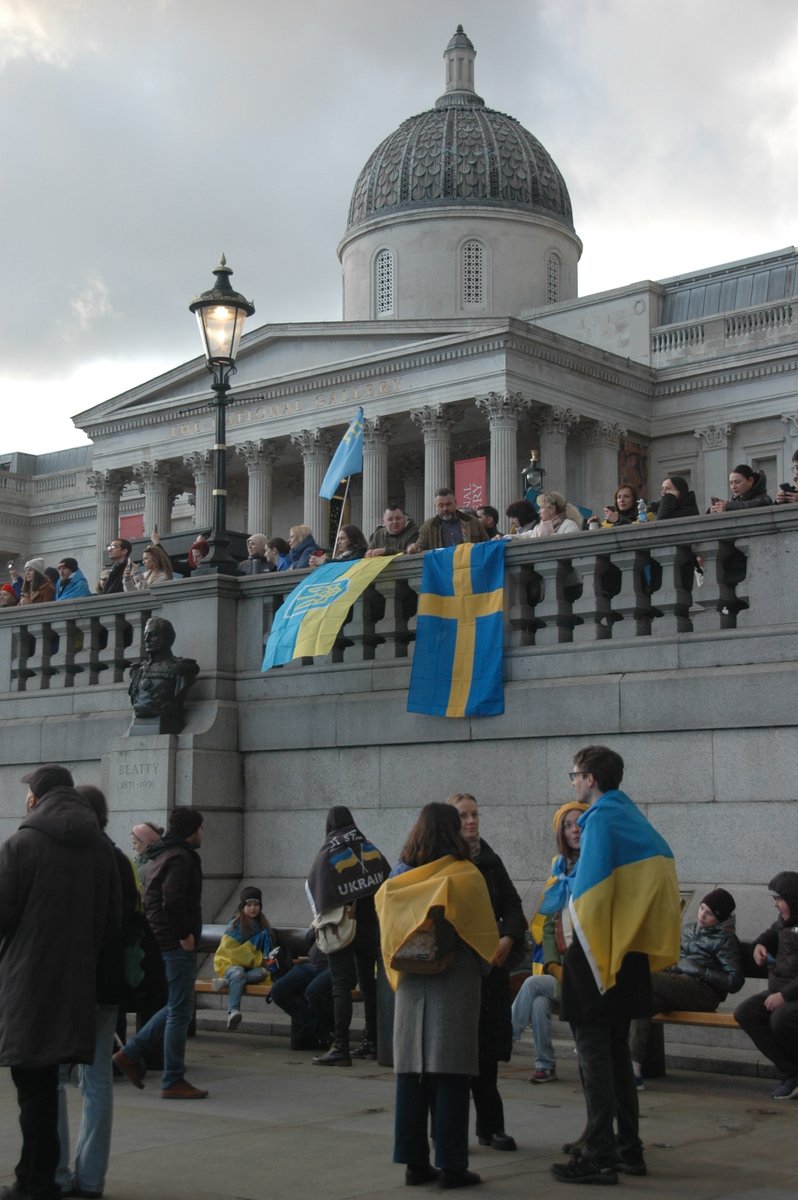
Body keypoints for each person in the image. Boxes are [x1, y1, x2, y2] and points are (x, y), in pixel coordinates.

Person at [550, 745, 680, 1185]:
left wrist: (577, 938)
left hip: (597, 958)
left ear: (589, 778)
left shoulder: (602, 818)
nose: (572, 783)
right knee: (618, 1059)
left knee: (594, 1060)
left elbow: (589, 897)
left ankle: (599, 1155)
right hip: (627, 956)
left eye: (574, 776)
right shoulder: (632, 816)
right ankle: (629, 1150)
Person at [0, 764, 119, 1200]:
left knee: (33, 1090)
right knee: (47, 1087)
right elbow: (111, 922)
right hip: (75, 986)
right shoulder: (101, 849)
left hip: (27, 984)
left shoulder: (21, 844)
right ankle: (38, 1176)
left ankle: (35, 1182)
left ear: (38, 796)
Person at [375, 802, 498, 1189]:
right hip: (454, 980)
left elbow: (386, 925)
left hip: (411, 981)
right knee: (452, 1072)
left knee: (411, 1073)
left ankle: (414, 1163)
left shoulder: (400, 879)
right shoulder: (465, 874)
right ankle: (452, 1165)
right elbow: (483, 939)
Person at [56, 785, 139, 1200]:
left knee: (54, 1076)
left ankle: (56, 1173)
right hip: (109, 985)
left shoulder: (77, 859)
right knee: (98, 1079)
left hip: (73, 983)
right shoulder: (121, 861)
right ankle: (91, 1179)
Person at [448, 793, 526, 1152]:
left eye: (475, 814)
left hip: (492, 967)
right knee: (456, 1055)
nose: (472, 821)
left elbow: (513, 904)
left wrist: (508, 937)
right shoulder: (445, 860)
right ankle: (450, 1131)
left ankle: (491, 1126)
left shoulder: (490, 859)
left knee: (488, 1052)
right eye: (464, 816)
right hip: (461, 969)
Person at [113, 806, 208, 1100]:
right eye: (201, 828)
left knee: (177, 1005)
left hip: (166, 941)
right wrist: (184, 936)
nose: (203, 834)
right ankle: (172, 1078)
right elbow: (173, 900)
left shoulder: (164, 855)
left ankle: (130, 1054)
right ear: (192, 830)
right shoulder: (180, 858)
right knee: (179, 1010)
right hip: (177, 943)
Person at [629, 888, 743, 1089]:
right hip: (678, 984)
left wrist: (700, 971)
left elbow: (734, 981)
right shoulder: (689, 930)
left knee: (646, 980)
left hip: (704, 992)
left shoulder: (726, 940)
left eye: (708, 913)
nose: (702, 915)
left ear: (720, 917)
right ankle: (634, 1067)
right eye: (701, 909)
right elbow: (674, 958)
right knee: (642, 1001)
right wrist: (675, 965)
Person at [306, 805, 390, 1066]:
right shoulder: (370, 848)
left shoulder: (328, 851)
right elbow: (388, 881)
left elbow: (316, 888)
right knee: (368, 985)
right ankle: (372, 1042)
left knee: (341, 986)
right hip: (371, 928)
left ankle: (340, 1046)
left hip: (342, 929)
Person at [512, 800, 589, 1084]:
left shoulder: (594, 863)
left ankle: (505, 1036)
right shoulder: (559, 868)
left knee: (532, 985)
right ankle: (544, 1064)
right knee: (539, 1004)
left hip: (589, 966)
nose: (574, 830)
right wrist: (554, 965)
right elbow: (548, 924)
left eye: (578, 823)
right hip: (562, 964)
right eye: (567, 825)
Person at [735, 872, 798, 1100]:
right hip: (780, 990)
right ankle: (792, 1072)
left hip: (790, 994)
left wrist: (784, 995)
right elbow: (768, 936)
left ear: (792, 899)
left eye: (779, 900)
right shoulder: (784, 922)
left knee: (781, 1019)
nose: (775, 905)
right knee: (745, 1013)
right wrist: (759, 946)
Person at [212, 886, 278, 1031]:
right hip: (229, 963)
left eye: (256, 904)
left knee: (261, 973)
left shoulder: (262, 926)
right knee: (238, 973)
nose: (253, 908)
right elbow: (230, 951)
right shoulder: (235, 925)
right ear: (242, 907)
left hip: (250, 967)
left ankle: (227, 982)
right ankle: (233, 1012)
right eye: (249, 905)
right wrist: (258, 960)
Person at [128, 616, 199, 730]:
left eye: (153, 635)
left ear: (167, 639)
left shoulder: (180, 669)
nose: (147, 639)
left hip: (167, 722)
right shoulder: (139, 670)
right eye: (146, 634)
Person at [269, 933, 334, 1051]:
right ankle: (321, 1031)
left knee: (313, 991)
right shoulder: (322, 916)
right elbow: (309, 938)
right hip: (313, 964)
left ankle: (326, 1034)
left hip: (334, 966)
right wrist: (316, 928)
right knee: (278, 991)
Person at [407, 488, 488, 553]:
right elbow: (419, 548)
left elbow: (487, 545)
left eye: (448, 504)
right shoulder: (429, 526)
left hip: (469, 567)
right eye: (441, 506)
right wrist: (412, 548)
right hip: (442, 569)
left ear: (455, 503)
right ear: (435, 507)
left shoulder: (472, 521)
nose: (445, 509)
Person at [131, 821, 164, 889]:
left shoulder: (155, 862)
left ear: (146, 842)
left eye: (135, 843)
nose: (133, 848)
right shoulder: (142, 859)